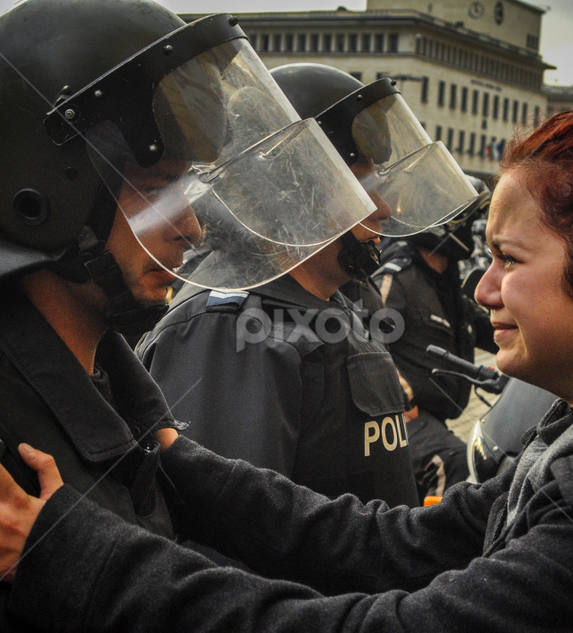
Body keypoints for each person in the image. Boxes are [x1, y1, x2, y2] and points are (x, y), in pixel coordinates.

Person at [0, 93, 573, 630]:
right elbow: (398, 541)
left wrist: (76, 557)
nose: (482, 288)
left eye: (510, 259)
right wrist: (180, 461)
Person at [0, 1, 376, 630]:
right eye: (155, 189)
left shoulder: (120, 402)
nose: (189, 228)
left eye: (185, 192)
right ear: (49, 194)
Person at [137, 64, 479, 508]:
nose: (383, 208)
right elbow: (229, 534)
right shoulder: (229, 327)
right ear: (295, 190)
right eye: (359, 186)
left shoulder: (333, 303)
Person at [372, 181, 497, 497]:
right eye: (466, 221)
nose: (474, 230)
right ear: (443, 223)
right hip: (399, 421)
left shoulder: (448, 287)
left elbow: (493, 330)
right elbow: (362, 336)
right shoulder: (397, 278)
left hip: (434, 420)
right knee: (455, 464)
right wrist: (400, 394)